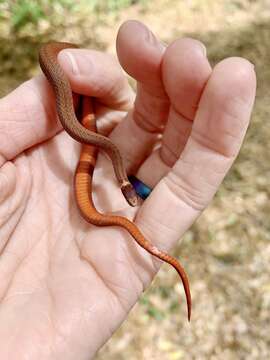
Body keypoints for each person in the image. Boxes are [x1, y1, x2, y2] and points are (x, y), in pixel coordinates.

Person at [0, 20, 256, 359]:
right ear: (126, 187)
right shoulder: (101, 146)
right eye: (131, 195)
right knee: (81, 85)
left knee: (84, 89)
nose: (130, 202)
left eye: (132, 196)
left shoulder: (106, 151)